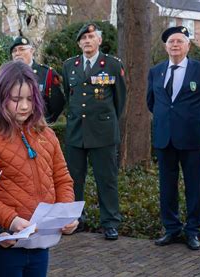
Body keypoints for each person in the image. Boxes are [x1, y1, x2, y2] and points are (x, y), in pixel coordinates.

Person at [0, 61, 77, 277]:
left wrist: (64, 214)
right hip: (2, 247)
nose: (24, 106)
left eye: (29, 99)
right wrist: (11, 220)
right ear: (0, 98)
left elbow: (62, 179)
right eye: (16, 100)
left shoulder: (47, 135)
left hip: (39, 246)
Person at [147, 26, 200, 250]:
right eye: (171, 42)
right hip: (164, 138)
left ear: (188, 45)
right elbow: (152, 102)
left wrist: (191, 120)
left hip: (191, 138)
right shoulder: (156, 71)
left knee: (194, 186)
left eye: (179, 41)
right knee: (167, 186)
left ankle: (193, 231)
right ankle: (171, 228)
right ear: (165, 46)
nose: (175, 45)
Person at [62, 23, 126, 238]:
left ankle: (110, 222)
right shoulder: (70, 65)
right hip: (76, 132)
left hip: (103, 133)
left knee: (106, 179)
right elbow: (68, 96)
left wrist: (105, 121)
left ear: (99, 40)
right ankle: (75, 219)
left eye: (91, 37)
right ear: (79, 43)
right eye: (83, 38)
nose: (87, 41)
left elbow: (120, 100)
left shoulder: (112, 65)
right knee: (73, 179)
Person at [10, 36, 65, 123]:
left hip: (39, 128)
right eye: (14, 51)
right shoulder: (7, 76)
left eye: (21, 49)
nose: (17, 53)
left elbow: (57, 104)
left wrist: (46, 123)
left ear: (32, 51)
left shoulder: (47, 73)